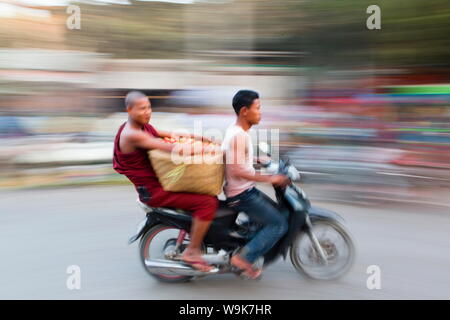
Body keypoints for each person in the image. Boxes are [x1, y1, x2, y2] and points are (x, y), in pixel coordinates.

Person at [113, 91, 218, 272]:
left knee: (206, 192)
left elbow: (168, 135)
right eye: (142, 108)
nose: (148, 112)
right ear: (129, 110)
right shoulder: (132, 134)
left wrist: (199, 138)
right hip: (155, 191)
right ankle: (191, 251)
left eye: (149, 107)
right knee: (208, 202)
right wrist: (207, 150)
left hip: (161, 183)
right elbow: (171, 147)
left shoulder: (142, 127)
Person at [222, 90, 289, 279]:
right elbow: (237, 170)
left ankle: (249, 245)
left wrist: (258, 159)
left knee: (275, 213)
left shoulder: (238, 131)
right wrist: (271, 179)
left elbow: (238, 160)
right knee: (278, 223)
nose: (260, 112)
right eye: (257, 108)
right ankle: (244, 258)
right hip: (242, 195)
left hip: (245, 190)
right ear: (244, 111)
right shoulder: (239, 136)